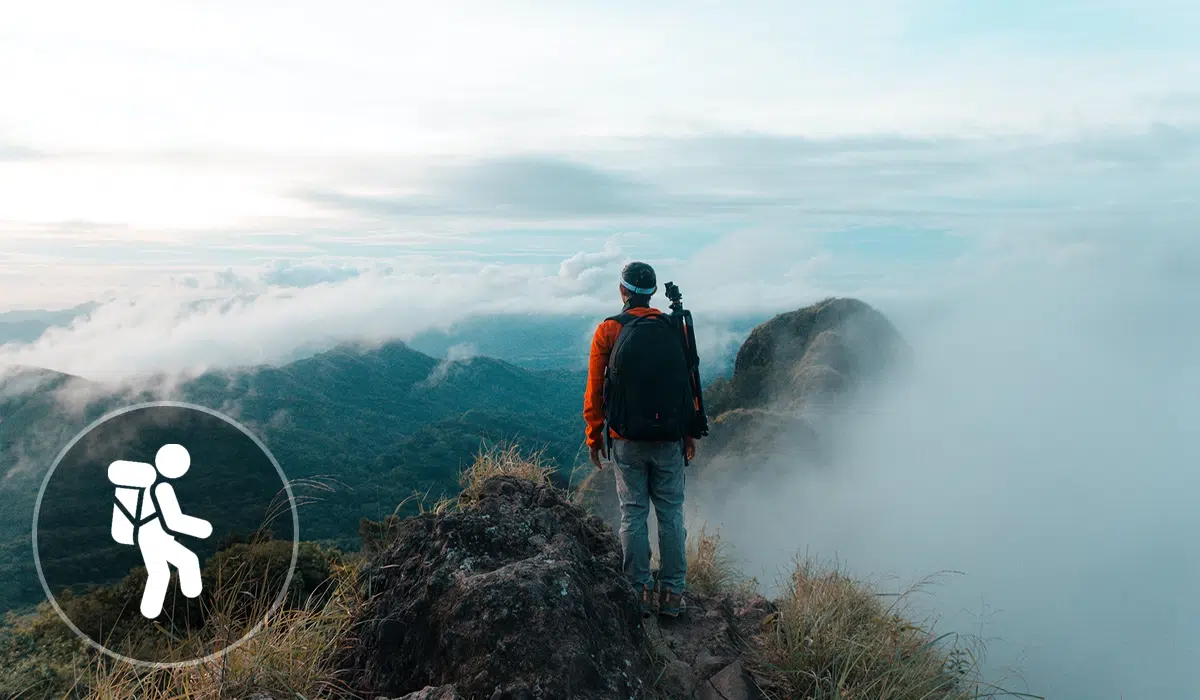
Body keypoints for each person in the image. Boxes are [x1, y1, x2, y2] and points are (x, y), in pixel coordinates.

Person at [585, 261, 698, 619]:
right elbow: (689, 382)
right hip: (669, 437)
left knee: (633, 512)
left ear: (623, 291)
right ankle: (672, 596)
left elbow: (595, 388)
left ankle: (637, 591)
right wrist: (690, 430)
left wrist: (594, 434)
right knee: (671, 514)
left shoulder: (609, 330)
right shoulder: (672, 327)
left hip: (626, 438)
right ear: (651, 293)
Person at [108, 444, 213, 619]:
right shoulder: (162, 488)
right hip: (156, 538)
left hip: (147, 536)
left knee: (161, 573)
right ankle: (197, 610)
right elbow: (173, 521)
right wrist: (202, 529)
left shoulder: (151, 484)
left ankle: (152, 615)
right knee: (187, 562)